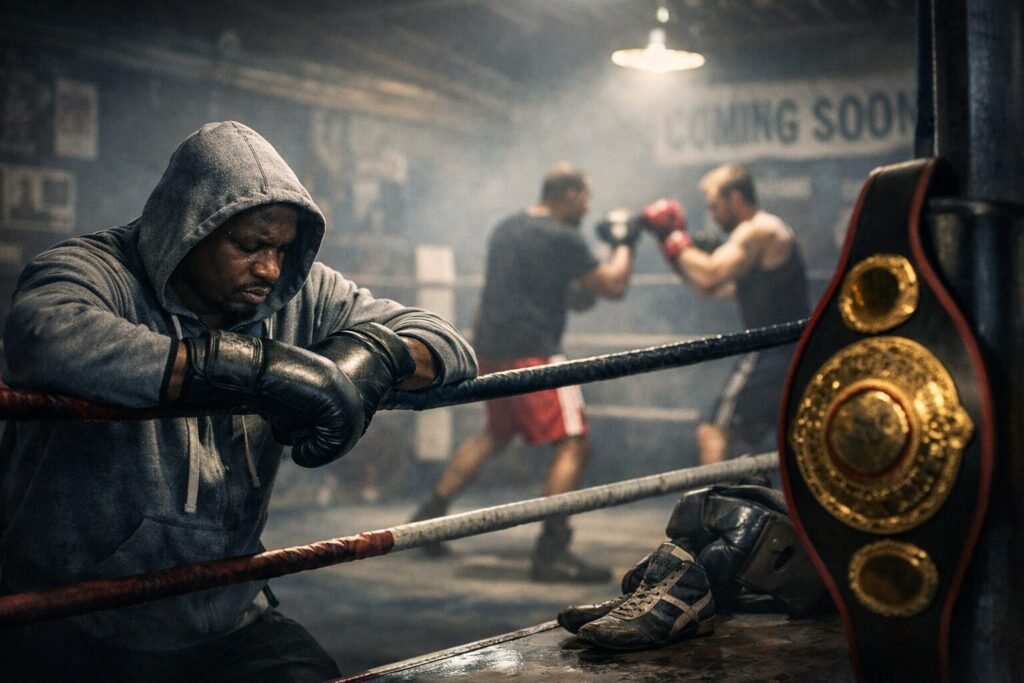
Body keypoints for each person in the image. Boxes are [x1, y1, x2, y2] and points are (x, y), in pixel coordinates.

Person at [0, 121, 477, 682]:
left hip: (226, 614)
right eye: (249, 246)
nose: (269, 268)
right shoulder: (96, 270)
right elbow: (44, 333)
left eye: (282, 248)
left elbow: (449, 347)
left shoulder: (296, 293)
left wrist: (367, 359)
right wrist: (247, 368)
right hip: (76, 618)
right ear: (187, 230)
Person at [409, 163, 639, 583]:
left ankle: (428, 520)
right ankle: (552, 551)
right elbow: (613, 286)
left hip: (492, 349)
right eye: (585, 197)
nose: (588, 208)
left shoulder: (507, 228)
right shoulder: (563, 237)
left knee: (495, 436)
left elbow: (525, 290)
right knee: (574, 443)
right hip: (533, 354)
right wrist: (626, 242)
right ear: (567, 194)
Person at [640, 163, 810, 466]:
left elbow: (710, 275)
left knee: (713, 432)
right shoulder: (760, 234)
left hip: (772, 351)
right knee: (800, 442)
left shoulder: (758, 229)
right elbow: (709, 290)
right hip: (792, 350)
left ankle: (712, 511)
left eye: (715, 206)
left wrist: (674, 238)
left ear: (734, 198)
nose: (713, 216)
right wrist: (673, 249)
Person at [555, 483, 828, 651]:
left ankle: (684, 594)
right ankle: (671, 588)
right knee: (698, 528)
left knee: (756, 530)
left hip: (837, 576)